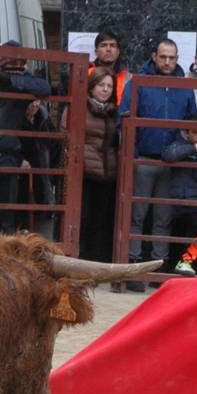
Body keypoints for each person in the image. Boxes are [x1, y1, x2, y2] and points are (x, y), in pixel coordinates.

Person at [118, 38, 196, 284]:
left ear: (177, 59)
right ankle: (133, 267)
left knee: (163, 217)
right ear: (154, 56)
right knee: (137, 215)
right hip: (144, 158)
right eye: (163, 57)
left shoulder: (185, 87)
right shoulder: (138, 82)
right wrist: (133, 153)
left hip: (172, 163)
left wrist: (181, 150)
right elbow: (124, 119)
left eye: (172, 57)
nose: (167, 62)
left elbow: (193, 124)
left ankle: (157, 268)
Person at [0, 42, 50, 236]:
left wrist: (12, 80)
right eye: (12, 63)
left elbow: (45, 88)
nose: (17, 67)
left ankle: (3, 239)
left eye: (20, 64)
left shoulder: (24, 82)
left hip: (9, 153)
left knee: (5, 208)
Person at [63, 67, 119, 261]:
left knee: (100, 219)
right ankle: (79, 257)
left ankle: (95, 260)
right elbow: (65, 134)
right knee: (81, 217)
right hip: (83, 172)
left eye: (109, 86)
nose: (105, 89)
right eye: (101, 85)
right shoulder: (78, 107)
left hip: (106, 173)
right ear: (91, 86)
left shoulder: (114, 112)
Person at [161, 112, 197, 276]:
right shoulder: (179, 145)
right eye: (195, 132)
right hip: (181, 202)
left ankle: (185, 264)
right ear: (186, 133)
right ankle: (185, 262)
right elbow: (168, 155)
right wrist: (192, 148)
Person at [89, 31, 129, 106]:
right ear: (96, 52)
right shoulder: (86, 74)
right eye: (103, 45)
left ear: (118, 52)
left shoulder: (128, 78)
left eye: (112, 45)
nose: (108, 49)